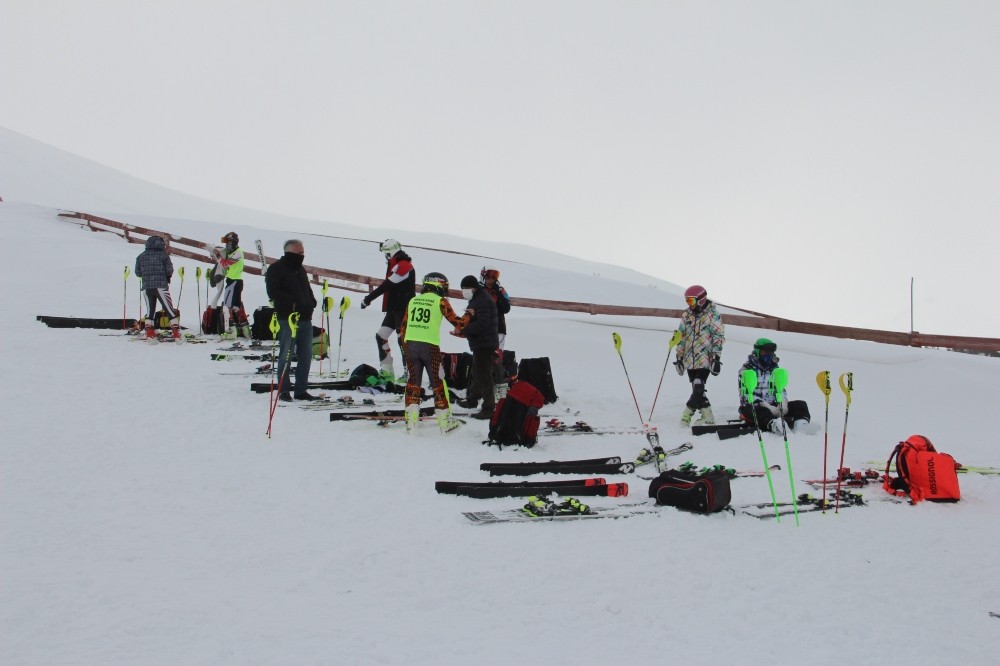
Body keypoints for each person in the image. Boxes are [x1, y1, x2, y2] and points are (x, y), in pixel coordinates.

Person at [399, 272, 474, 432]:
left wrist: (406, 348)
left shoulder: (413, 300)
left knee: (413, 382)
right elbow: (458, 323)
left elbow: (403, 327)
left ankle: (411, 424)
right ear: (440, 285)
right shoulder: (440, 301)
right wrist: (469, 314)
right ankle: (445, 423)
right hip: (430, 347)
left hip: (410, 344)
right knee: (437, 383)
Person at [264, 239, 320, 401]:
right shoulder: (276, 269)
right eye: (299, 253)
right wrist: (292, 302)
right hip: (287, 319)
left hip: (305, 319)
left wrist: (311, 301)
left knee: (306, 356)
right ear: (289, 252)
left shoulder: (300, 270)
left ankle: (301, 390)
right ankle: (283, 390)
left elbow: (307, 289)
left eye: (303, 252)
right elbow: (273, 292)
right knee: (285, 356)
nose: (302, 256)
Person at [360, 239, 415, 383]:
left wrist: (368, 298)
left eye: (386, 253)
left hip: (403, 309)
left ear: (391, 252)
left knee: (402, 341)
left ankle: (409, 374)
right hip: (393, 309)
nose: (386, 257)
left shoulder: (404, 266)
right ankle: (387, 371)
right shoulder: (397, 264)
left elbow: (387, 285)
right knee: (381, 336)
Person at [674, 284, 725, 425]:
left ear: (701, 300)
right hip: (689, 359)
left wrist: (716, 358)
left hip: (705, 358)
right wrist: (679, 357)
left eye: (691, 301)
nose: (689, 304)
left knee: (698, 385)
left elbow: (718, 337)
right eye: (687, 301)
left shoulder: (712, 315)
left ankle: (686, 415)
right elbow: (681, 337)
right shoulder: (687, 315)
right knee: (698, 389)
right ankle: (708, 417)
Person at [737, 338, 811, 433]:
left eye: (770, 352)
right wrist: (766, 405)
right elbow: (746, 396)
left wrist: (783, 403)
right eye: (765, 352)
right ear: (758, 351)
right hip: (754, 406)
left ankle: (801, 424)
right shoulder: (746, 370)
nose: (768, 355)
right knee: (759, 411)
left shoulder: (774, 369)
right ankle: (773, 424)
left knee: (800, 404)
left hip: (774, 406)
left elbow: (780, 389)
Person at [456, 275, 499, 419]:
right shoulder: (476, 299)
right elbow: (468, 318)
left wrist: (463, 330)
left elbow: (482, 324)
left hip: (485, 343)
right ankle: (472, 400)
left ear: (473, 287)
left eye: (465, 289)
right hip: (479, 342)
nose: (464, 292)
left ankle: (488, 408)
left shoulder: (483, 300)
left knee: (484, 375)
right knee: (476, 371)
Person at [134, 235, 182, 342]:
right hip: (161, 287)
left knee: (150, 310)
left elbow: (138, 273)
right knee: (169, 309)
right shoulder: (163, 255)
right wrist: (167, 276)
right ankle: (176, 333)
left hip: (147, 287)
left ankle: (150, 333)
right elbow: (169, 270)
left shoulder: (140, 256)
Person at [215, 232, 251, 339]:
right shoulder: (233, 252)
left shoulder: (238, 253)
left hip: (234, 282)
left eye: (228, 242)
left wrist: (218, 256)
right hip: (234, 281)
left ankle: (230, 331)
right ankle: (245, 330)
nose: (227, 245)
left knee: (227, 306)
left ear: (233, 242)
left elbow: (225, 263)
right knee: (236, 307)